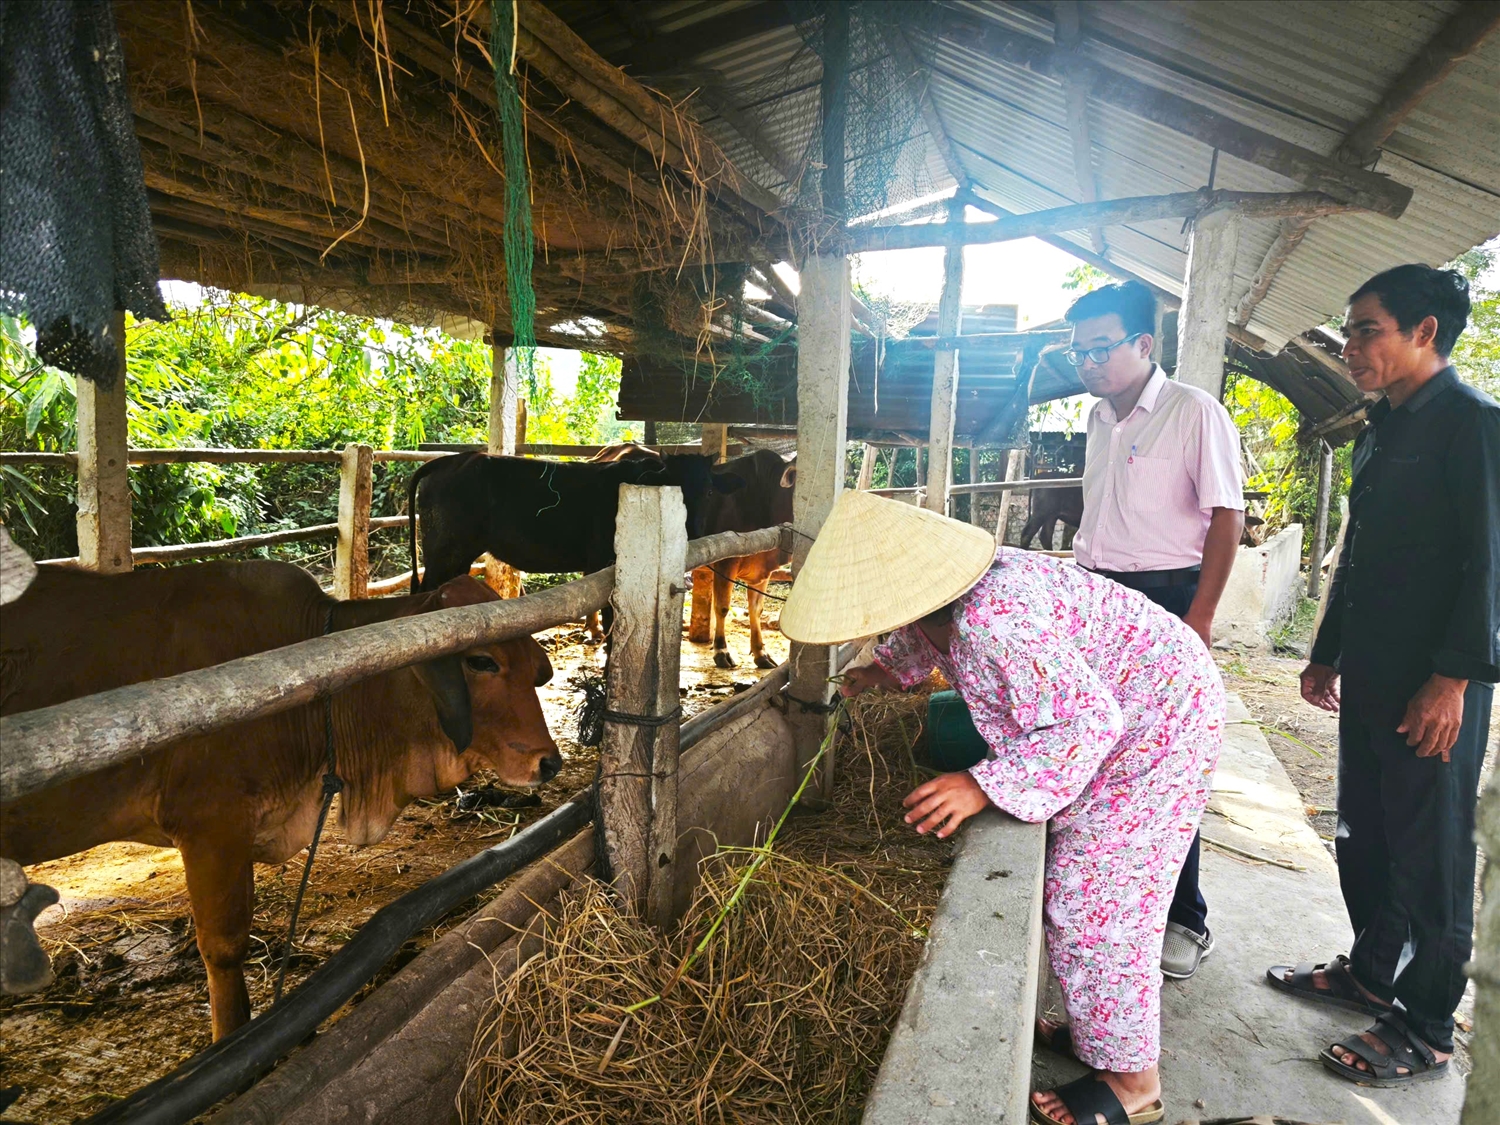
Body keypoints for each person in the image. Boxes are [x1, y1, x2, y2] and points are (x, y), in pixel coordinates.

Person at [781, 489, 1225, 1125]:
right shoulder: (955, 595)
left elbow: (1087, 721)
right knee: (1076, 885)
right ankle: (1097, 1032)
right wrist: (883, 672)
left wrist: (982, 784)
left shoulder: (995, 623)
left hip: (1157, 722)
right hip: (1130, 703)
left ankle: (1134, 1082)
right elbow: (928, 637)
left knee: (1098, 895)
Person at [1267, 264, 1499, 1088]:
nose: (1351, 344)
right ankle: (1371, 971)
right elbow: (1357, 554)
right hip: (1368, 668)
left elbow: (1489, 564)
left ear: (1424, 331)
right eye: (1351, 328)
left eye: (1367, 328)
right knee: (1363, 834)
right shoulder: (1381, 426)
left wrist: (1456, 681)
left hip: (1432, 683)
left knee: (1431, 853)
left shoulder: (1474, 426)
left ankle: (1428, 1022)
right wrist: (1326, 647)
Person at [1063, 280, 1245, 980]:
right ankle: (1108, 900)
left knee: (1166, 761)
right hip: (1099, 596)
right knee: (1098, 749)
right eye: (1078, 350)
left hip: (1167, 596)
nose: (1088, 362)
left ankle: (1183, 917)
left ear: (1144, 344)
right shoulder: (1095, 417)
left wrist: (1197, 617)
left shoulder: (1191, 412)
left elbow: (1226, 517)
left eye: (1101, 347)